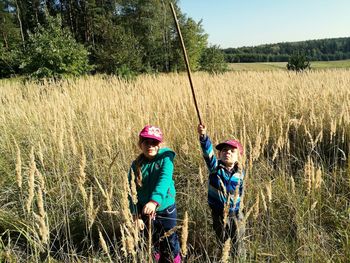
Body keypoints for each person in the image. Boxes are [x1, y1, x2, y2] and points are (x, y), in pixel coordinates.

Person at [128, 125, 181, 263]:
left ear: (160, 144)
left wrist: (154, 201)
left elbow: (164, 180)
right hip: (145, 211)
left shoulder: (166, 158)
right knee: (152, 243)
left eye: (154, 142)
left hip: (166, 209)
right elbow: (130, 191)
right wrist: (135, 215)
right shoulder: (135, 165)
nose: (150, 145)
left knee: (170, 243)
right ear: (140, 144)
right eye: (146, 142)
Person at [197, 123, 245, 257]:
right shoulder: (215, 168)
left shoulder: (240, 172)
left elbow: (241, 192)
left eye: (231, 151)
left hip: (236, 214)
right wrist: (203, 136)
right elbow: (208, 153)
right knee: (223, 242)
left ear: (239, 156)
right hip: (218, 214)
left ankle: (239, 259)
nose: (227, 152)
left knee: (239, 242)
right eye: (224, 150)